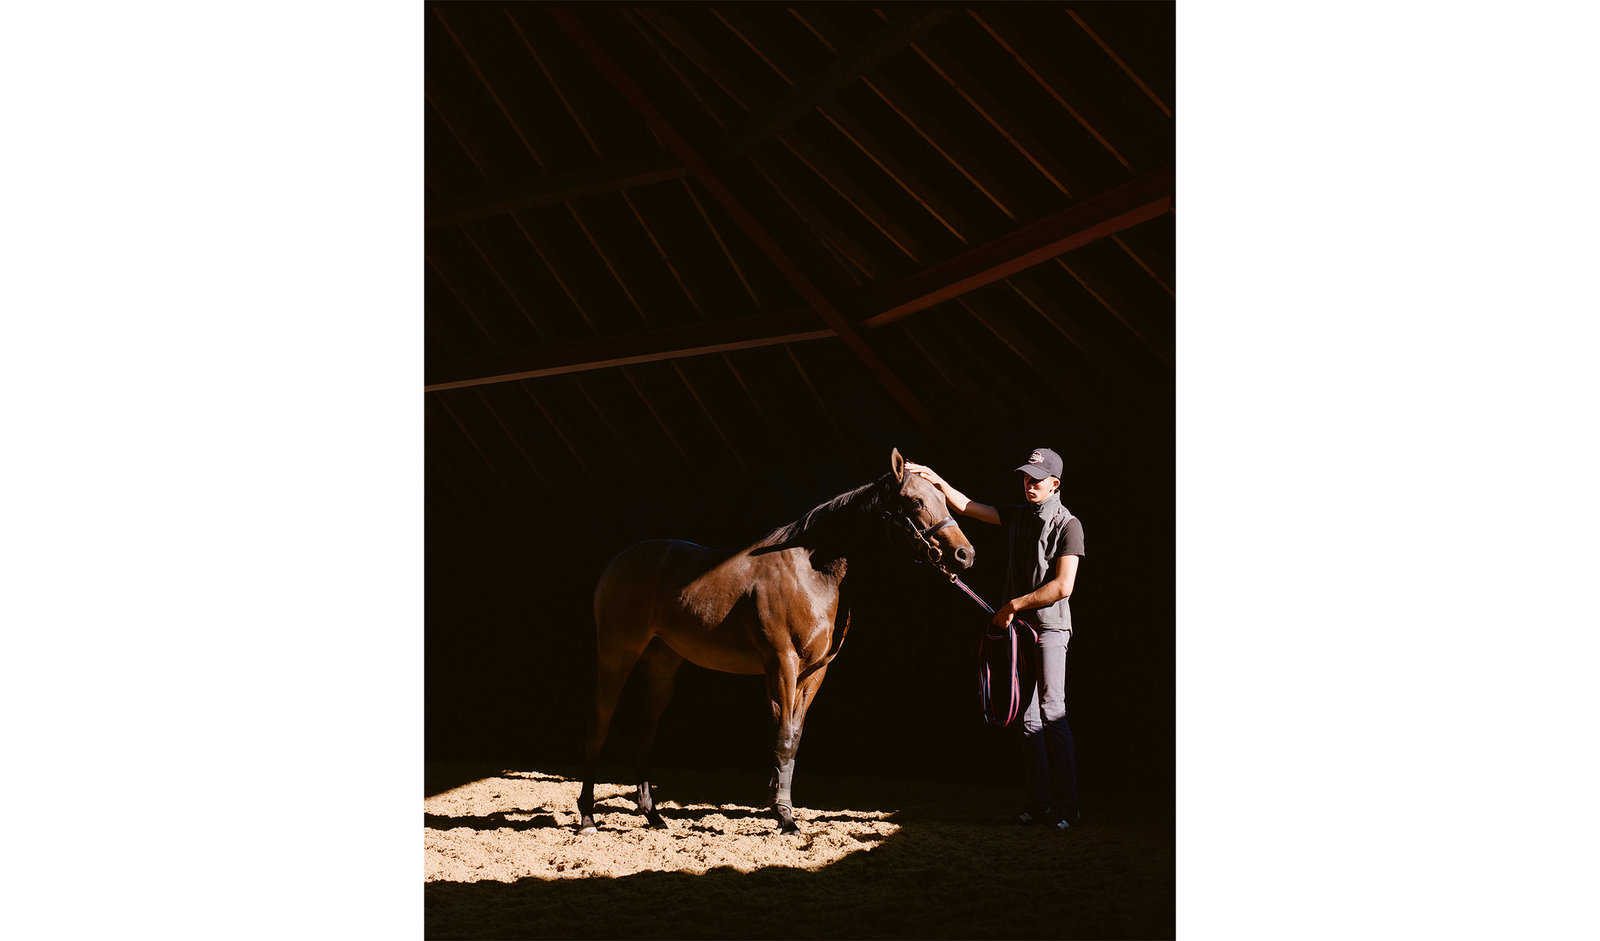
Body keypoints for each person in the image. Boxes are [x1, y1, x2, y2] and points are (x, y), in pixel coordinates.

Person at [905, 448, 1084, 830]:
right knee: (1030, 722)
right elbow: (969, 507)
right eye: (1026, 477)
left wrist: (1013, 605)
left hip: (1049, 629)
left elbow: (1063, 586)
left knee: (1052, 712)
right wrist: (936, 478)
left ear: (1055, 484)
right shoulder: (1020, 515)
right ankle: (1039, 808)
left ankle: (1068, 810)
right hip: (1021, 629)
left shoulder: (1069, 526)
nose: (1029, 484)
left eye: (1037, 479)